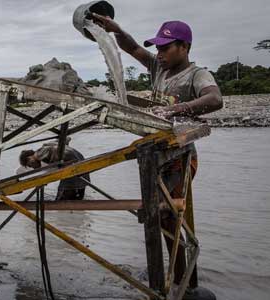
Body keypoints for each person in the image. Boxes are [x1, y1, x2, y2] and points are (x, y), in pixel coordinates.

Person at [90, 14, 223, 294]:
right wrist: (114, 29)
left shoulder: (196, 74)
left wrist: (176, 109)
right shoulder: (158, 69)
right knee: (163, 217)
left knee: (167, 214)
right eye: (158, 48)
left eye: (165, 48)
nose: (159, 54)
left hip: (180, 156)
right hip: (156, 154)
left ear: (184, 47)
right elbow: (133, 48)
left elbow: (215, 99)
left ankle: (178, 279)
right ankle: (174, 278)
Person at [19, 142, 90, 200]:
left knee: (61, 200)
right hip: (82, 167)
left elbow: (54, 152)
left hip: (72, 168)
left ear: (29, 158)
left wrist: (44, 179)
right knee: (77, 198)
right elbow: (66, 140)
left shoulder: (38, 154)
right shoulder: (48, 147)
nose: (34, 168)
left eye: (30, 165)